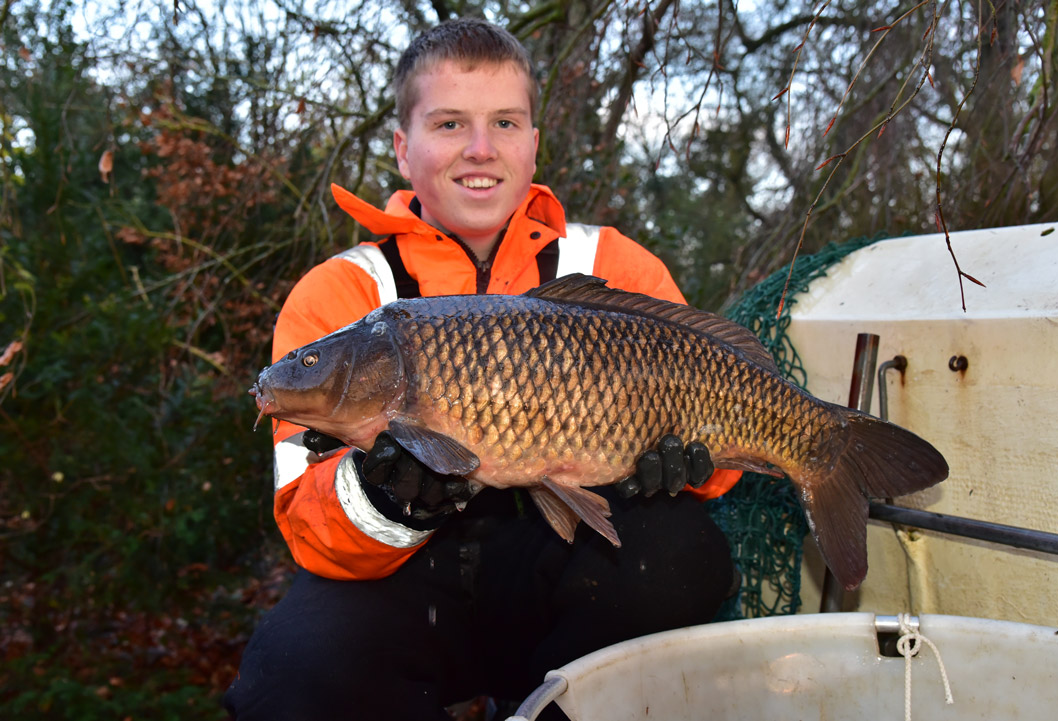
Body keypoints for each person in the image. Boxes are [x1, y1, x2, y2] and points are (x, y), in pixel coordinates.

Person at [224, 18, 740, 721]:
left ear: (534, 144)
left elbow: (728, 426)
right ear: (404, 150)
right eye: (448, 123)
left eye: (504, 121)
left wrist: (692, 466)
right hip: (407, 587)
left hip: (568, 581)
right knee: (288, 674)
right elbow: (307, 527)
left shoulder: (618, 267)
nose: (480, 148)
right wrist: (384, 497)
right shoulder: (341, 295)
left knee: (680, 554)